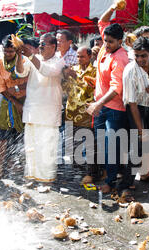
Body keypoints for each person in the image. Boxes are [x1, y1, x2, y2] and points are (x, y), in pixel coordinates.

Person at [86, 4, 130, 197]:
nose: (106, 44)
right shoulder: (106, 44)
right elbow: (102, 21)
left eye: (111, 42)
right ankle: (110, 177)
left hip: (114, 109)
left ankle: (111, 181)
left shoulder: (121, 58)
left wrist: (98, 103)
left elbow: (116, 88)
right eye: (105, 40)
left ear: (120, 41)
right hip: (102, 107)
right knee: (103, 146)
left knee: (111, 146)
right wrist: (112, 6)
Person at [21, 33, 65, 182]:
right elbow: (20, 72)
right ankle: (32, 176)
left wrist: (31, 57)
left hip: (49, 114)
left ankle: (46, 179)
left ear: (53, 46)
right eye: (39, 44)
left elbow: (48, 71)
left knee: (47, 148)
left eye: (43, 44)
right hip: (32, 111)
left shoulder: (59, 61)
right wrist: (19, 56)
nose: (40, 47)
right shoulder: (34, 58)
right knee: (31, 147)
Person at [123, 36, 149, 186]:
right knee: (139, 147)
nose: (139, 59)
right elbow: (132, 104)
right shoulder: (130, 71)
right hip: (136, 108)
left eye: (143, 55)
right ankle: (125, 186)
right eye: (136, 55)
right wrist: (141, 132)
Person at [0, 34, 28, 181]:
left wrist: (17, 88)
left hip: (25, 102)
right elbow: (1, 88)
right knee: (3, 140)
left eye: (11, 51)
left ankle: (24, 169)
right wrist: (15, 101)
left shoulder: (24, 61)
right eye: (6, 51)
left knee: (23, 139)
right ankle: (0, 169)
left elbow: (30, 82)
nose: (8, 54)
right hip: (7, 104)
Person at [62, 46, 98, 183]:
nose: (79, 59)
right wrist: (65, 77)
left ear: (89, 57)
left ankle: (92, 173)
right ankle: (77, 171)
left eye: (82, 56)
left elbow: (92, 91)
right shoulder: (73, 70)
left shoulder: (95, 72)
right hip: (71, 113)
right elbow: (65, 90)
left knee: (90, 145)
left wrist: (76, 78)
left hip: (87, 115)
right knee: (72, 145)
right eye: (77, 56)